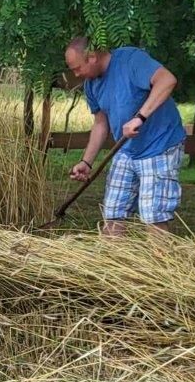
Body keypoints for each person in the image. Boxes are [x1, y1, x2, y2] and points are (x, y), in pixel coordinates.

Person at [64, 37, 184, 235]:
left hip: (159, 146)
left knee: (153, 215)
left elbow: (167, 80)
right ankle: (112, 263)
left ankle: (160, 263)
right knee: (112, 213)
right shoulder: (91, 85)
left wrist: (139, 118)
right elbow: (101, 124)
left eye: (77, 68)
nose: (76, 74)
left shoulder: (131, 60)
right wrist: (86, 162)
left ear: (92, 57)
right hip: (127, 150)